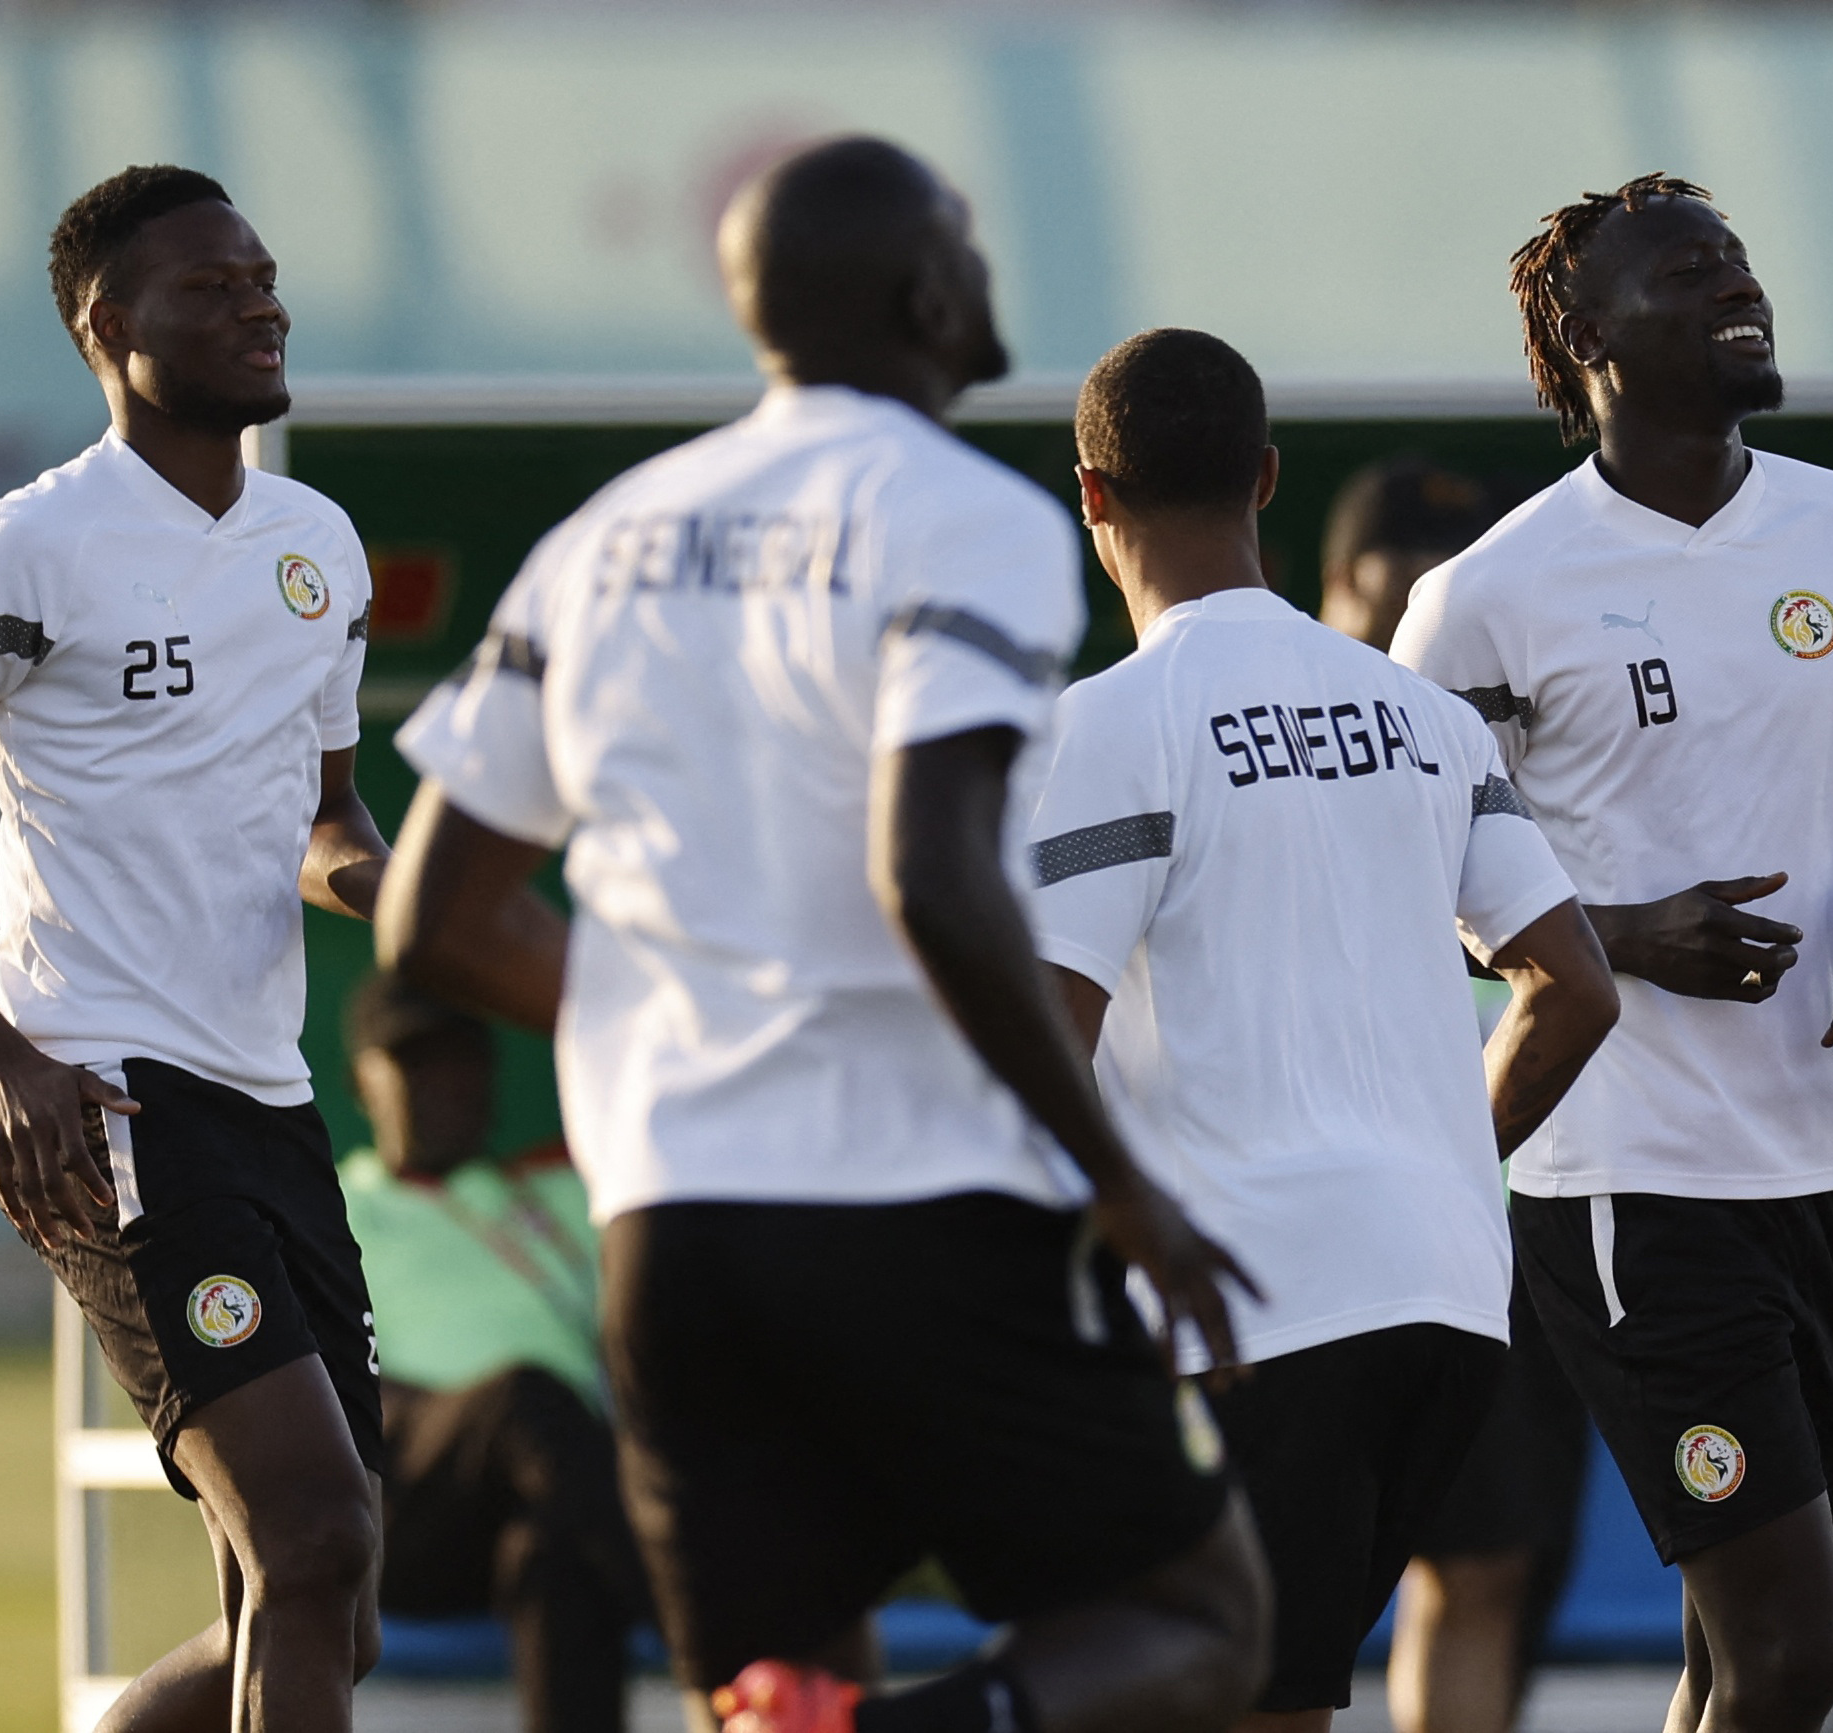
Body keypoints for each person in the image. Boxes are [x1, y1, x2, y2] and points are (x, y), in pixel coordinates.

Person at [375, 136, 1270, 1733]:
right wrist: (1121, 1181)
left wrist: (677, 1021)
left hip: (673, 1227)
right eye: (968, 245)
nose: (985, 270)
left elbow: (430, 916)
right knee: (1197, 1620)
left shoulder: (601, 540)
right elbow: (930, 873)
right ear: (926, 295)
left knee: (772, 1689)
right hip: (916, 1198)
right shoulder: (966, 517)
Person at [0, 164, 392, 1729]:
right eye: (210, 287)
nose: (259, 306)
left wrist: (384, 888)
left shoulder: (316, 543)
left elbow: (324, 816)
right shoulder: (26, 545)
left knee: (321, 1609)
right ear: (108, 326)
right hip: (109, 1103)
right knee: (313, 1537)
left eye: (263, 277)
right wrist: (0, 1057)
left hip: (268, 1100)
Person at [1391, 173, 1833, 1733]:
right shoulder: (1483, 597)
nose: (1737, 286)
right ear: (1588, 336)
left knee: (1734, 1662)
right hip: (1628, 1183)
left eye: (1738, 260)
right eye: (1687, 270)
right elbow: (1403, 880)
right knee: (1792, 1658)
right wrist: (1624, 937)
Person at [1026, 327, 1618, 1733]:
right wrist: (1436, 1160)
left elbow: (1043, 1040)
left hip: (1251, 1306)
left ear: (1091, 496)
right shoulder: (1427, 720)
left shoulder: (1106, 725)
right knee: (1266, 1693)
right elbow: (1575, 987)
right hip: (1448, 1302)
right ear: (1267, 478)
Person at [1318, 457, 1598, 1733]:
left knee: (1486, 1562)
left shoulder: (1500, 748)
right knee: (1281, 1575)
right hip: (1310, 1206)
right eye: (1392, 596)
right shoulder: (1274, 741)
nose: (1415, 630)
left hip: (1502, 1201)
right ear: (1335, 589)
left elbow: (1575, 983)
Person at [338, 970, 650, 1733]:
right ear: (361, 1084)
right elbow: (332, 1392)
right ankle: (703, 1617)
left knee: (552, 1556)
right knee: (521, 1397)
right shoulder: (336, 1206)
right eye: (416, 1062)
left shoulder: (561, 1196)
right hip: (398, 1504)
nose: (446, 1081)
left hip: (552, 1490)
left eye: (462, 1056)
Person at [1316, 456, 1496, 653]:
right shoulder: (1298, 665)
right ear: (1344, 578)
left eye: (1448, 572)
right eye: (1406, 577)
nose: (1428, 592)